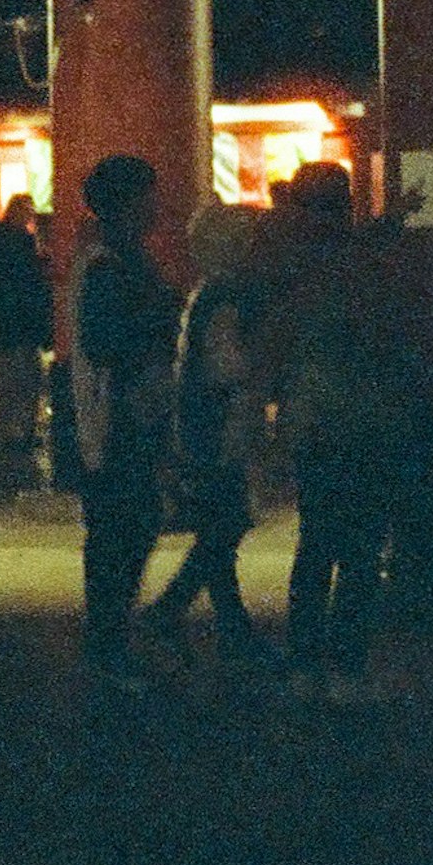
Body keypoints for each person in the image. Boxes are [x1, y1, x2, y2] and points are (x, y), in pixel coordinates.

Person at [269, 164, 418, 707]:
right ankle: (347, 671)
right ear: (345, 205)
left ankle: (303, 668)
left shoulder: (290, 263)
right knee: (359, 556)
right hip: (367, 425)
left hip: (314, 427)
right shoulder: (363, 267)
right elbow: (386, 342)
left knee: (314, 551)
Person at [142, 199, 279, 668]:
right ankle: (188, 611)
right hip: (220, 425)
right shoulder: (228, 298)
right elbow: (227, 367)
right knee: (227, 522)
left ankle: (216, 620)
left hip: (203, 422)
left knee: (220, 524)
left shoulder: (206, 292)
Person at [68, 156, 178, 694]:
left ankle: (110, 643)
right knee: (121, 531)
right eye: (149, 195)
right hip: (118, 419)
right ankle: (108, 647)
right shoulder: (109, 266)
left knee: (124, 529)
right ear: (128, 203)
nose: (156, 206)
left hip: (128, 415)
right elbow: (104, 343)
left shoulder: (114, 259)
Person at [0, 197, 53, 477]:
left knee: (6, 381)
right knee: (26, 380)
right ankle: (24, 428)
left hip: (0, 326)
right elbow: (32, 286)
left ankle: (8, 428)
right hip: (22, 324)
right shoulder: (22, 243)